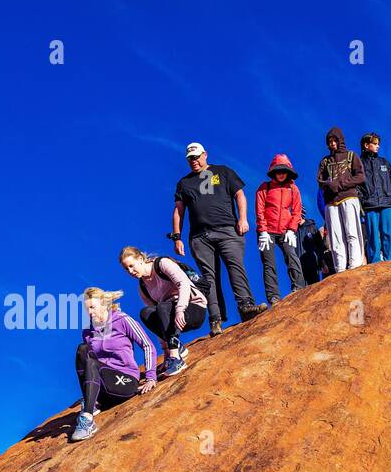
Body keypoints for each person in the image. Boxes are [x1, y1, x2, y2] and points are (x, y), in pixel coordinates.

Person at [170, 142, 267, 334]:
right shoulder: (184, 183)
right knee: (209, 277)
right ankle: (215, 319)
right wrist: (177, 237)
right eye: (190, 158)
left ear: (205, 154)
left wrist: (243, 219)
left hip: (227, 230)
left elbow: (239, 194)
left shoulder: (223, 172)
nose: (194, 161)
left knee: (235, 266)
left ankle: (246, 306)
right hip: (200, 236)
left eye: (196, 157)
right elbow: (179, 211)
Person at [71, 288, 158, 442]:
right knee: (82, 350)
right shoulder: (88, 332)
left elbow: (147, 345)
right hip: (105, 391)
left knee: (89, 358)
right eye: (87, 309)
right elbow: (88, 363)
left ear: (104, 304)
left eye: (92, 307)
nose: (89, 312)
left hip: (125, 381)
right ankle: (90, 402)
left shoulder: (122, 320)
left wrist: (151, 376)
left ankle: (87, 419)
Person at [119, 246, 207, 375]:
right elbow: (158, 317)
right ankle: (176, 348)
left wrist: (180, 309)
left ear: (141, 259)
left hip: (193, 308)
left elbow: (184, 283)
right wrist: (165, 350)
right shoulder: (143, 287)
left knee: (162, 307)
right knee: (146, 313)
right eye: (127, 269)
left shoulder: (162, 264)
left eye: (132, 266)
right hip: (171, 316)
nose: (130, 271)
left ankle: (176, 359)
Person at [254, 154, 306, 304]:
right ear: (273, 172)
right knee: (269, 263)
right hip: (267, 231)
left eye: (284, 171)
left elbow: (296, 211)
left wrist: (292, 229)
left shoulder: (293, 188)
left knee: (292, 256)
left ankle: (298, 288)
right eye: (278, 171)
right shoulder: (265, 187)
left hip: (285, 230)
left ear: (288, 172)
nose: (281, 174)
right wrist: (262, 231)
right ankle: (273, 297)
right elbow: (260, 210)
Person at [317, 127, 366, 271]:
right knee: (336, 235)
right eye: (330, 141)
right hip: (331, 202)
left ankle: (355, 264)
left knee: (352, 231)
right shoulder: (325, 161)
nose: (332, 144)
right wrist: (329, 185)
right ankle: (340, 268)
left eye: (335, 140)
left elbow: (360, 176)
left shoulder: (351, 156)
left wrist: (340, 184)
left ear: (340, 141)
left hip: (349, 197)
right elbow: (319, 180)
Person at [359, 133, 391, 263]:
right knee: (372, 235)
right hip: (369, 204)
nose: (378, 146)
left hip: (387, 202)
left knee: (389, 233)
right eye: (375, 144)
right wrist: (362, 199)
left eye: (378, 144)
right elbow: (357, 184)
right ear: (366, 145)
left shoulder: (384, 163)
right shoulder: (360, 164)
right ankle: (374, 262)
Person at [296, 212, 327, 286]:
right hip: (298, 266)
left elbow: (319, 247)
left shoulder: (312, 227)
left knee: (314, 287)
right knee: (300, 291)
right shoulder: (292, 231)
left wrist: (322, 263)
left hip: (312, 264)